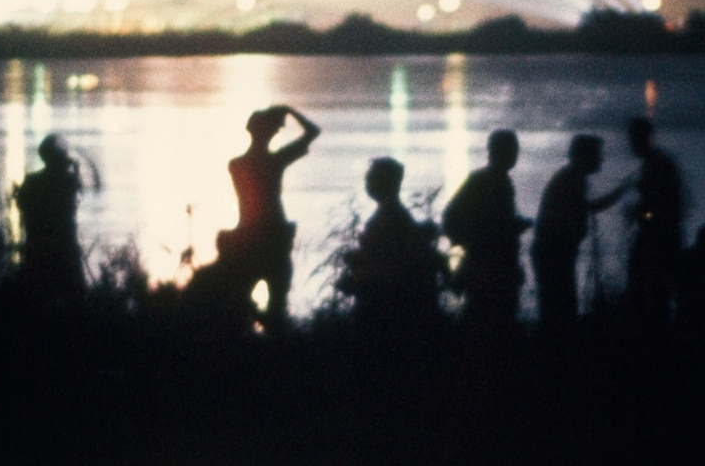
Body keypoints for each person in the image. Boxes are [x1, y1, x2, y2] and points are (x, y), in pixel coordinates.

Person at [205, 104, 320, 321]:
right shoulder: (275, 161)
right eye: (275, 130)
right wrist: (290, 110)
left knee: (240, 299)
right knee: (276, 303)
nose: (276, 133)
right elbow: (313, 132)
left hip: (247, 235)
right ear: (269, 133)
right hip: (274, 237)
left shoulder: (237, 164)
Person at [532, 134, 627, 331]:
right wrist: (621, 191)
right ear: (586, 156)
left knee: (557, 309)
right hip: (554, 254)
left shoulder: (571, 178)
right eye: (597, 154)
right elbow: (584, 208)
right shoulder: (572, 180)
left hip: (555, 253)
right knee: (560, 310)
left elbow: (586, 207)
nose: (601, 159)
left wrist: (620, 191)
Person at [442, 130, 532, 335]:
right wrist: (480, 242)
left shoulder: (494, 181)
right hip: (489, 269)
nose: (515, 156)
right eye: (511, 150)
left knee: (486, 324)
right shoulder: (488, 181)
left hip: (494, 266)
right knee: (488, 325)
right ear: (497, 152)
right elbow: (455, 219)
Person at [342, 155, 443, 331]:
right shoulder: (393, 215)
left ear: (384, 183)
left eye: (371, 178)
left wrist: (360, 268)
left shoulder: (390, 218)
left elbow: (392, 263)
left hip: (384, 303)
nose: (367, 183)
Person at [623, 117, 687, 321]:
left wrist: (642, 214)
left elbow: (659, 208)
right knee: (653, 295)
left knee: (652, 295)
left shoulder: (656, 165)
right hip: (660, 237)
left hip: (659, 240)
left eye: (633, 139)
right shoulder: (656, 163)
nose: (630, 145)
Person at [13, 135, 88, 303]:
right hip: (64, 247)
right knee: (76, 298)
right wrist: (75, 171)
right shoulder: (67, 180)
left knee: (37, 297)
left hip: (37, 246)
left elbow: (22, 205)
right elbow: (76, 194)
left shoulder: (32, 181)